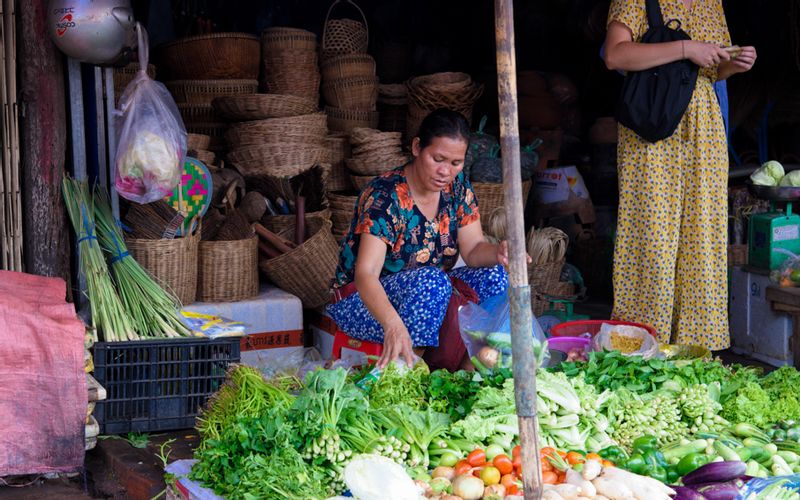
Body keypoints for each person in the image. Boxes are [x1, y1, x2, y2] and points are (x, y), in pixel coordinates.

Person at [604, 0, 756, 350]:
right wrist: (687, 48)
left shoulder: (711, 3)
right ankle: (638, 349)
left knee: (702, 236)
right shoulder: (636, 1)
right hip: (653, 127)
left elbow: (711, 70)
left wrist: (733, 65)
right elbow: (615, 56)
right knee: (650, 238)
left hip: (705, 129)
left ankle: (696, 352)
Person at [326, 109, 518, 368]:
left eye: (455, 163)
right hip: (363, 302)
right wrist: (392, 324)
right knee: (432, 280)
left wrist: (499, 253)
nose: (445, 172)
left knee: (495, 274)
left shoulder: (458, 187)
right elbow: (366, 274)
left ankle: (470, 374)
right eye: (438, 159)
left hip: (427, 294)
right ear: (417, 147)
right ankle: (411, 374)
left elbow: (472, 250)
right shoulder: (385, 196)